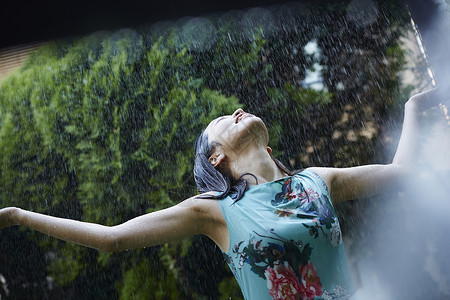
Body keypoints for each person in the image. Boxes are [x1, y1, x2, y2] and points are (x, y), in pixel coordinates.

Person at [0, 87, 446, 299]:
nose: (236, 110)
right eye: (220, 122)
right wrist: (19, 215)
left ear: (267, 146)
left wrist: (412, 108)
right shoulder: (213, 211)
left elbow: (401, 173)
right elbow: (110, 238)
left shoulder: (318, 181)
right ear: (215, 159)